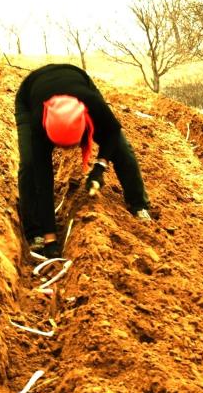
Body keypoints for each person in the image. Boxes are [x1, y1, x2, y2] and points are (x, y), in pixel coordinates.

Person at [15, 64, 150, 259]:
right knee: (29, 165)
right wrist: (50, 238)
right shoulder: (38, 123)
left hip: (77, 80)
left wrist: (99, 168)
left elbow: (112, 131)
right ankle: (35, 231)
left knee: (122, 148)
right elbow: (42, 177)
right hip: (30, 93)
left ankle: (139, 205)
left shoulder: (92, 103)